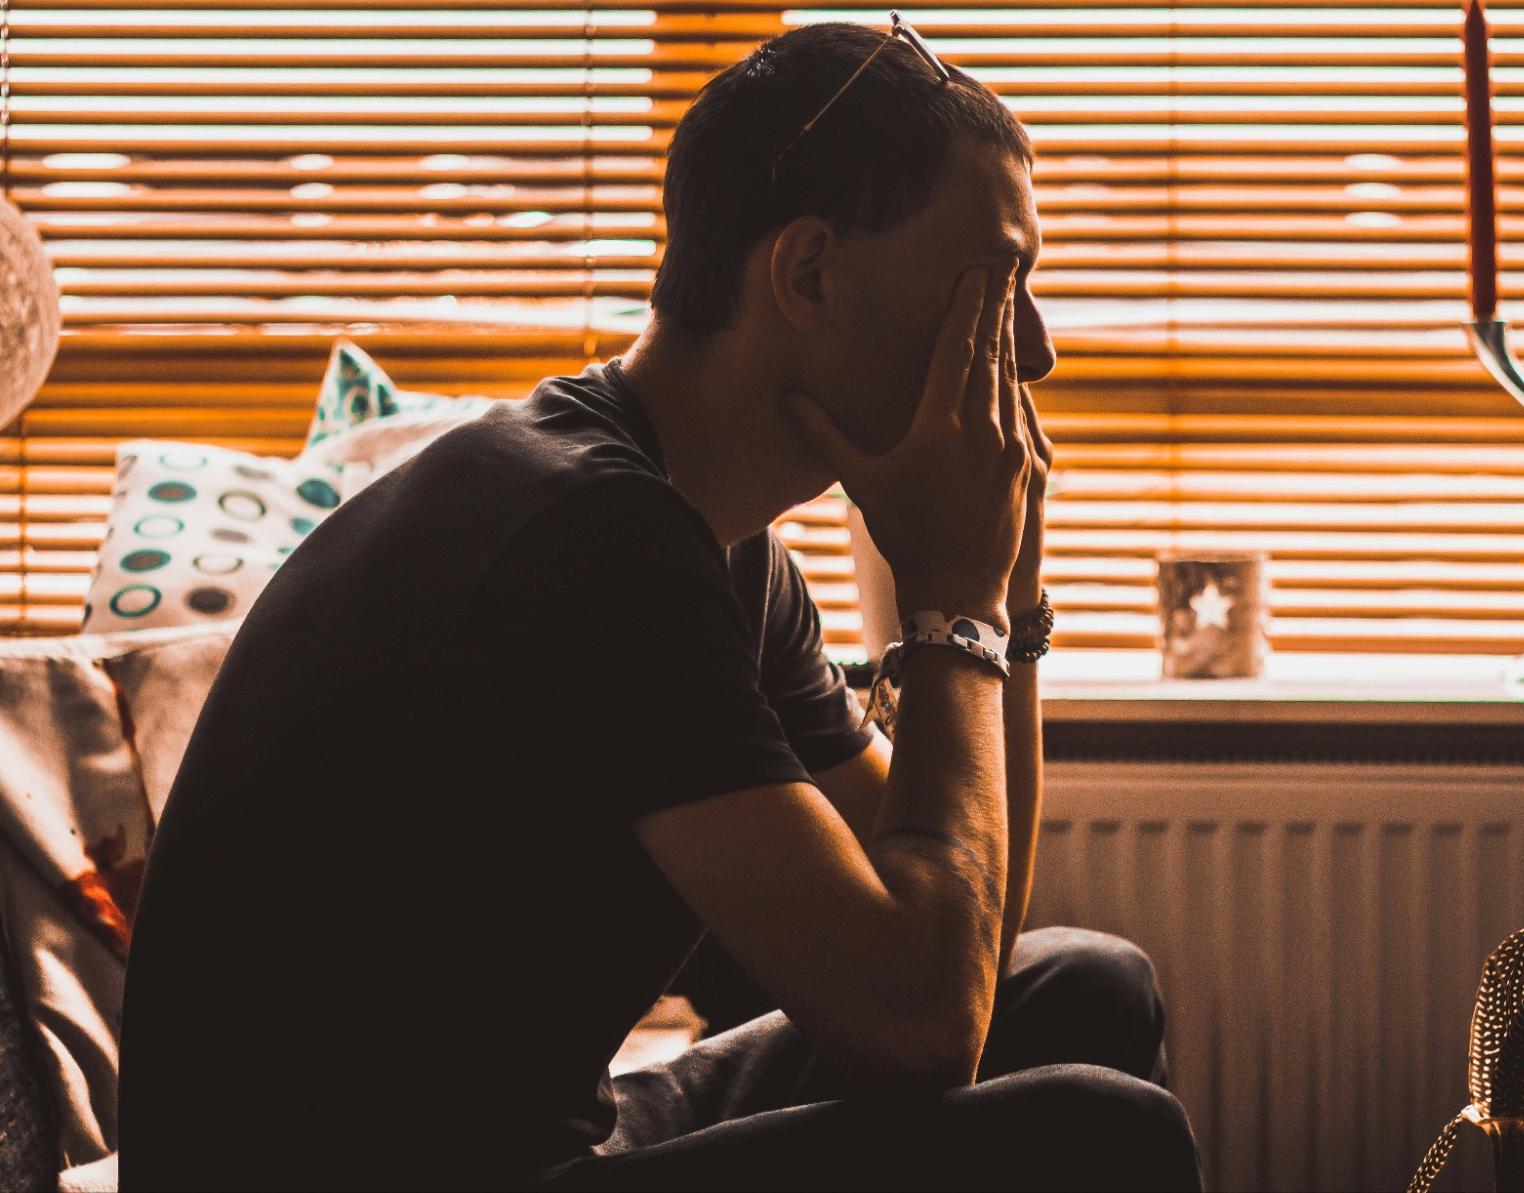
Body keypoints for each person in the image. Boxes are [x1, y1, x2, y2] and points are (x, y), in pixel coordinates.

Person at [119, 20, 1202, 1192]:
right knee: (1103, 1130)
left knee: (1086, 981)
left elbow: (963, 947)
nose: (1032, 353)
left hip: (532, 1143)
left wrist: (1006, 601)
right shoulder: (587, 537)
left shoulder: (717, 550)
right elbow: (918, 1018)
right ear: (807, 274)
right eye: (994, 284)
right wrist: (955, 610)